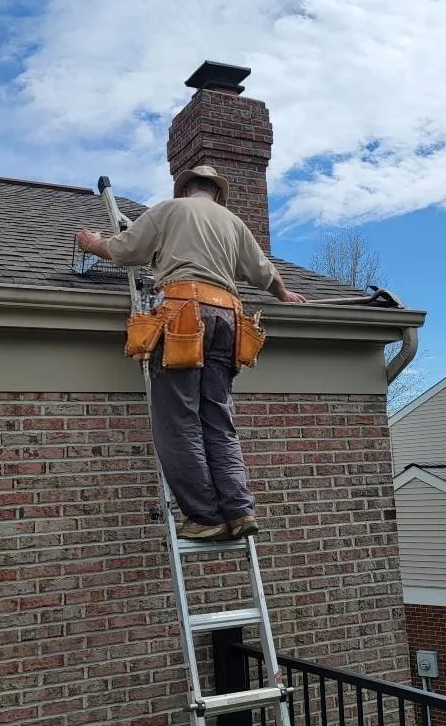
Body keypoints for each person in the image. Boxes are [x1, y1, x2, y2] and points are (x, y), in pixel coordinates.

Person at [76, 165, 305, 541]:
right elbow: (266, 274)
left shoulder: (169, 210)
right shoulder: (233, 224)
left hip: (183, 314)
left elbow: (125, 250)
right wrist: (285, 296)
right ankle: (239, 510)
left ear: (185, 190)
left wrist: (93, 242)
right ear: (216, 194)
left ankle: (205, 516)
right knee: (217, 418)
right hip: (228, 319)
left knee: (179, 418)